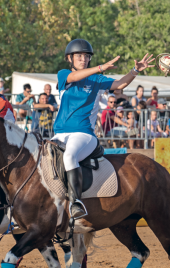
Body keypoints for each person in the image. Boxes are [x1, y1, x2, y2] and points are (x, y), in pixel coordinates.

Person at [52, 38, 154, 219]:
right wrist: (100, 67)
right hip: (59, 134)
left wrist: (135, 70)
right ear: (70, 58)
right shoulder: (63, 74)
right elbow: (74, 77)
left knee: (69, 156)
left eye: (86, 56)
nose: (83, 59)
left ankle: (76, 203)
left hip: (84, 134)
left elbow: (120, 85)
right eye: (79, 56)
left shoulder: (97, 79)